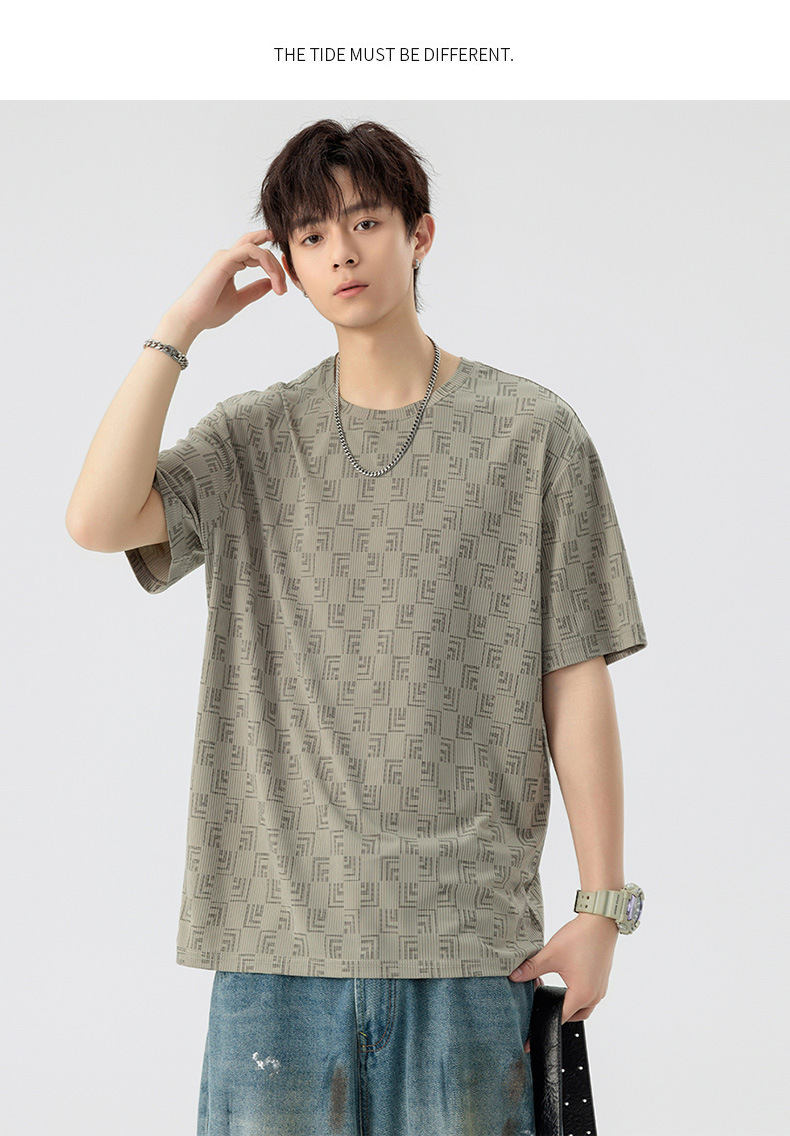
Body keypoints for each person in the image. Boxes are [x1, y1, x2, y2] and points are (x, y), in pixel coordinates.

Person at [65, 119, 648, 1136]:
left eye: (366, 221)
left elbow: (575, 674)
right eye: (311, 234)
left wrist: (603, 905)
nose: (341, 251)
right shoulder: (252, 440)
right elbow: (98, 520)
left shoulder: (532, 435)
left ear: (420, 233)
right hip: (275, 949)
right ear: (286, 265)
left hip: (468, 945)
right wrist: (179, 329)